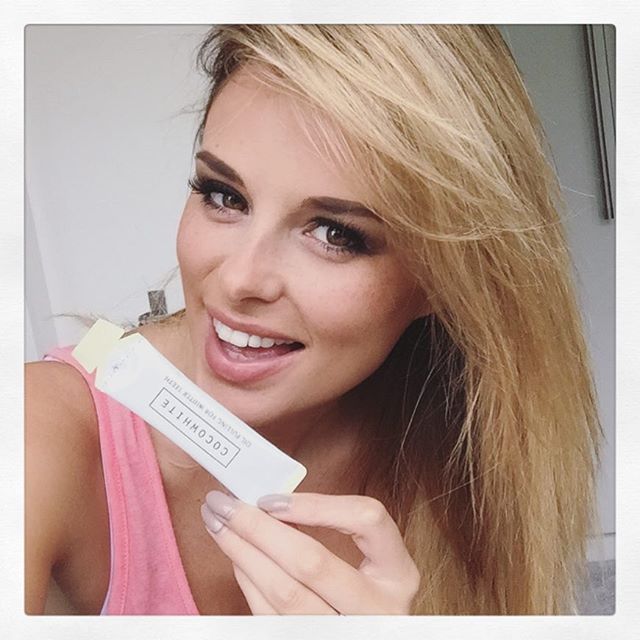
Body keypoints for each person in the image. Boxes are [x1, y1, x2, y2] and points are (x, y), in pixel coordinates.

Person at [25, 25, 602, 615]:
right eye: (224, 195)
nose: (240, 280)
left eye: (334, 233)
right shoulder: (34, 430)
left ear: (445, 279)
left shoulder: (470, 464)